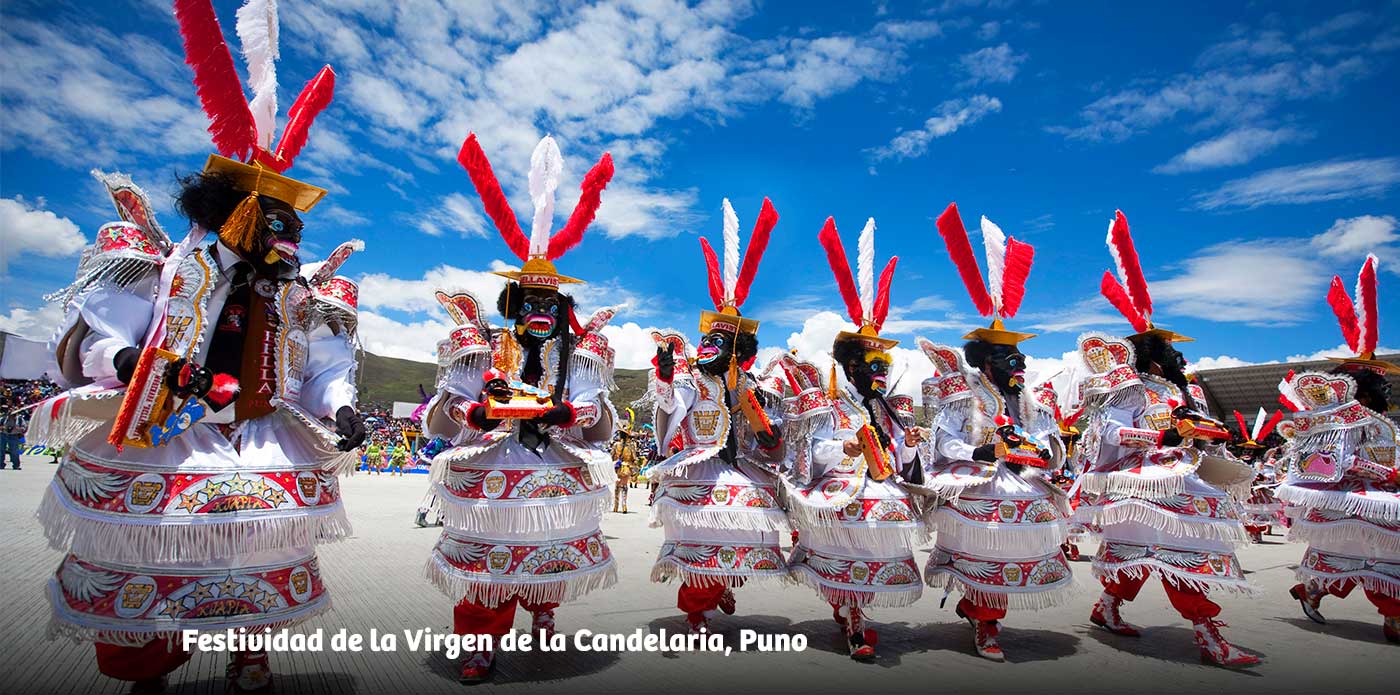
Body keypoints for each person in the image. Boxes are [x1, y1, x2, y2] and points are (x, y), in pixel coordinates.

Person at [29, 5, 364, 691]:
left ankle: (250, 657)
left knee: (256, 553)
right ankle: (148, 671)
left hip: (261, 433)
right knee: (156, 558)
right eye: (275, 226)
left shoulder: (293, 295)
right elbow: (107, 333)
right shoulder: (167, 267)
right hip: (166, 426)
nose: (288, 244)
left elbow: (319, 368)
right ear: (235, 215)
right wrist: (127, 363)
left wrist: (343, 406)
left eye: (292, 230)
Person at [421, 133, 618, 683]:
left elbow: (595, 413)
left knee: (547, 545)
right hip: (494, 460)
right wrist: (473, 415)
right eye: (528, 302)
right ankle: (480, 641)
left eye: (549, 303)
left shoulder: (581, 356)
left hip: (554, 462)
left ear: (562, 311)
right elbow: (448, 406)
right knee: (489, 557)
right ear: (514, 306)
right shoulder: (481, 346)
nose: (538, 311)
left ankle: (544, 604)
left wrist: (567, 416)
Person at [1071, 210, 1259, 668]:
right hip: (1146, 480)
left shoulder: (1186, 390)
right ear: (1154, 362)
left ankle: (1108, 605)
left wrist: (1205, 437)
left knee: (1154, 553)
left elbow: (1199, 433)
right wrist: (1165, 433)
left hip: (1184, 474)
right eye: (1174, 353)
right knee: (1181, 551)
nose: (1181, 359)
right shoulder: (1130, 388)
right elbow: (1110, 433)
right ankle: (1207, 633)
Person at [916, 205, 1073, 661]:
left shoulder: (1030, 401)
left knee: (1014, 551)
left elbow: (1047, 437)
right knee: (986, 550)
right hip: (981, 480)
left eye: (1021, 361)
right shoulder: (964, 395)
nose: (1019, 367)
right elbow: (942, 441)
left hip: (1022, 481)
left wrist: (1046, 450)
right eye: (1010, 361)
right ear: (986, 362)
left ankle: (981, 610)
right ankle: (986, 622)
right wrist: (981, 448)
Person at [775, 215, 925, 662]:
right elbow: (812, 449)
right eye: (872, 365)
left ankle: (856, 612)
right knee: (851, 546)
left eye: (884, 366)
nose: (880, 373)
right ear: (853, 366)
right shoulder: (830, 401)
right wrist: (847, 448)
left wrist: (912, 441)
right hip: (845, 486)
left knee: (876, 546)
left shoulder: (892, 407)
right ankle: (854, 617)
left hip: (883, 487)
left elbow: (902, 458)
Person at [643, 197, 788, 635]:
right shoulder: (693, 381)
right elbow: (670, 407)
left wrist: (768, 438)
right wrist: (666, 379)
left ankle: (723, 582)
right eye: (710, 340)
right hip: (701, 467)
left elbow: (765, 427)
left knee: (747, 532)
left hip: (739, 468)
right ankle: (698, 607)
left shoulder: (747, 386)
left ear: (737, 352)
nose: (712, 349)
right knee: (704, 539)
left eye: (722, 344)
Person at [1279, 254, 1399, 644]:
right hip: (1353, 498)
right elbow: (1334, 462)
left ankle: (1312, 589)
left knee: (1375, 556)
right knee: (1375, 555)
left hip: (1381, 495)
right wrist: (1387, 475)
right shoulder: (1341, 418)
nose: (1388, 389)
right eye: (1381, 383)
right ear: (1362, 385)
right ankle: (1389, 615)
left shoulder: (1380, 420)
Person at [0, 398, 27, 470]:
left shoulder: (20, 419)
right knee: (1, 450)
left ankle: (16, 465)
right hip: (3, 435)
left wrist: (18, 429)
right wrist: (2, 428)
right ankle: (1, 464)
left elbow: (24, 428)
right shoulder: (4, 418)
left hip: (13, 436)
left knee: (14, 451)